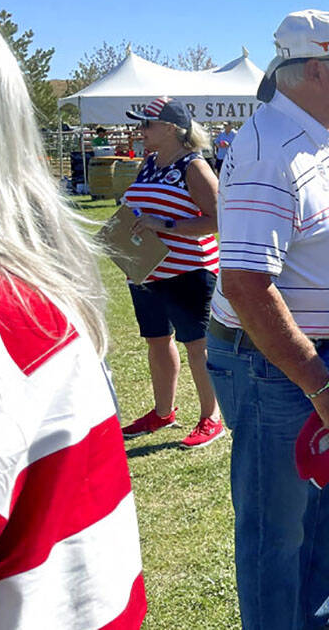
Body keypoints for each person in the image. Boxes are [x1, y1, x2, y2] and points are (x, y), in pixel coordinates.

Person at [0, 0, 146, 628]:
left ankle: (193, 412)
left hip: (183, 278)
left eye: (153, 129)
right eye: (140, 129)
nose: (141, 137)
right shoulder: (19, 298)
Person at [206, 9, 329, 630]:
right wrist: (319, 380)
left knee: (323, 508)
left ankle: (318, 618)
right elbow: (248, 286)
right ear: (315, 69)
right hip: (278, 369)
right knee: (276, 528)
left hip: (308, 356)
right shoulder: (269, 150)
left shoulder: (308, 134)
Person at [120, 95, 225, 449]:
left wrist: (163, 223)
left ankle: (211, 417)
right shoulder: (149, 163)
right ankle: (163, 412)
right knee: (156, 340)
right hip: (146, 269)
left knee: (197, 345)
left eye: (146, 124)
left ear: (169, 128)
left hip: (189, 271)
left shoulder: (193, 167)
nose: (141, 131)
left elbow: (216, 220)